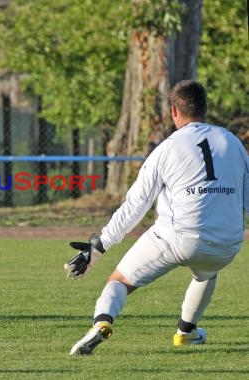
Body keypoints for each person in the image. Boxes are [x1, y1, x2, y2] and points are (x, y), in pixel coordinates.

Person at [65, 80, 249, 355]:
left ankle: (101, 322)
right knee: (206, 273)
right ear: (205, 109)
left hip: (176, 238)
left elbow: (135, 206)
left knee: (119, 282)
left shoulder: (167, 148)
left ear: (174, 111)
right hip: (227, 243)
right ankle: (186, 333)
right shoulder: (232, 143)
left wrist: (98, 247)